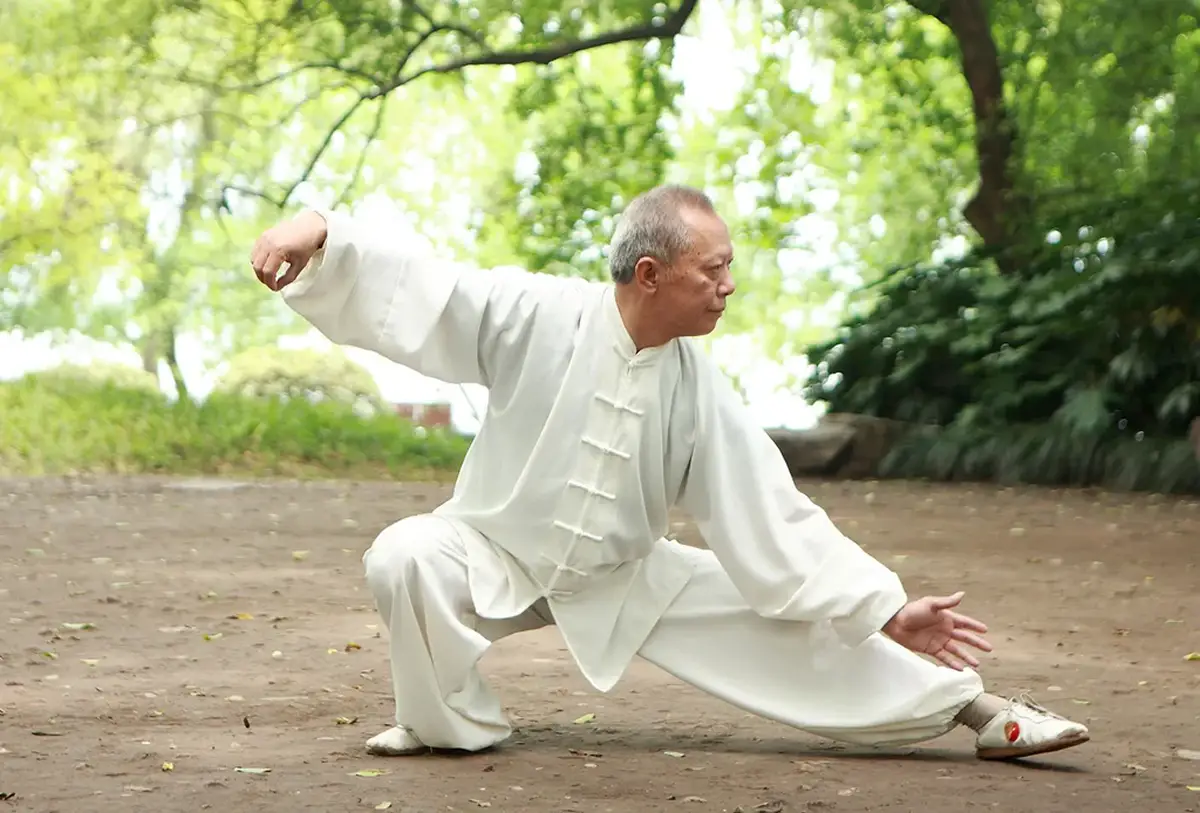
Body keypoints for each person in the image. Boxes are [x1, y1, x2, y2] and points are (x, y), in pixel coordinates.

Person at [249, 184, 1090, 762]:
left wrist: (886, 606)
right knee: (404, 554)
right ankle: (446, 725)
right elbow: (425, 292)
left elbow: (773, 515)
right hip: (492, 550)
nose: (729, 286)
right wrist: (320, 231)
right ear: (649, 275)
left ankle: (980, 710)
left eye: (728, 267)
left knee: (788, 619)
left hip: (625, 575)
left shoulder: (697, 386)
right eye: (713, 269)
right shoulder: (537, 313)